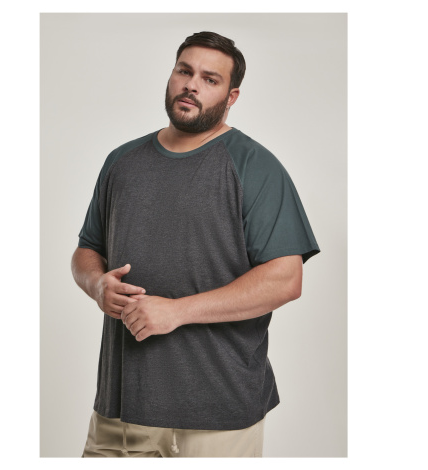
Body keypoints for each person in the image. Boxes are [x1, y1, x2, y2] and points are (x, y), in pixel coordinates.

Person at [71, 31, 320, 458]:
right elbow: (86, 250)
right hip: (121, 410)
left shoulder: (254, 166)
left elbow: (285, 279)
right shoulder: (121, 162)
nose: (191, 85)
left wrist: (177, 311)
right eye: (184, 71)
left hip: (218, 413)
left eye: (210, 79)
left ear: (231, 96)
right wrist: (96, 284)